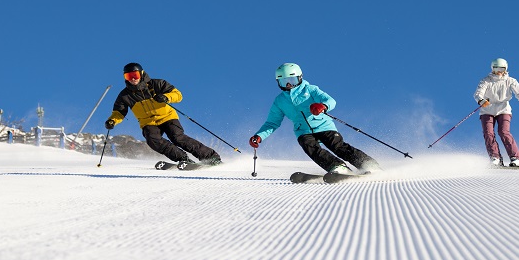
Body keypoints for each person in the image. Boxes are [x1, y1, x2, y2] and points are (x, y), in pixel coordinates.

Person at [248, 63, 381, 175]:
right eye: (284, 82)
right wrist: (259, 136)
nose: (289, 85)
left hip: (324, 125)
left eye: (292, 80)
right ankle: (338, 168)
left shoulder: (310, 89)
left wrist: (322, 106)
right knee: (310, 147)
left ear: (300, 78)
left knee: (337, 146)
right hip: (303, 130)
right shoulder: (280, 101)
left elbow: (330, 101)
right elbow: (272, 122)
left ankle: (368, 165)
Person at [104, 63, 222, 166]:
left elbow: (178, 95)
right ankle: (183, 159)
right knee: (153, 140)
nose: (133, 79)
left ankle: (210, 157)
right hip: (148, 122)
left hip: (168, 117)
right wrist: (112, 121)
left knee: (177, 138)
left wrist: (166, 97)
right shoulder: (125, 95)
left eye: (135, 75)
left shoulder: (157, 84)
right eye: (129, 76)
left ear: (141, 74)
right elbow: (119, 112)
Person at [473, 58, 519, 167]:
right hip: (487, 110)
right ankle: (495, 158)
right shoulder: (486, 80)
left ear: (505, 69)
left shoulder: (510, 81)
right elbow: (478, 93)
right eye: (496, 68)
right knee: (488, 133)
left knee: (503, 132)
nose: (499, 71)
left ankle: (515, 158)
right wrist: (481, 100)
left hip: (504, 109)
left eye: (502, 68)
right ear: (493, 68)